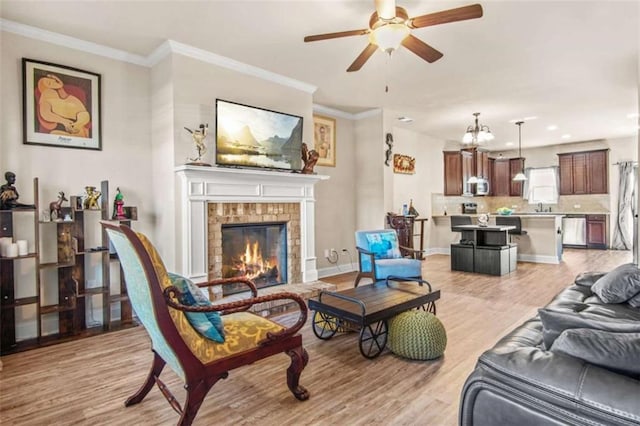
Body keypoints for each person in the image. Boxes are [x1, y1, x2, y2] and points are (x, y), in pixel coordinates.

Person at [37, 73, 91, 138]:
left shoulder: (60, 94)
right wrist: (64, 121)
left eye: (52, 80)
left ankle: (77, 127)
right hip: (70, 123)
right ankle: (76, 129)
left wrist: (59, 83)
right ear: (45, 88)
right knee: (54, 134)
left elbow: (60, 88)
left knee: (84, 116)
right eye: (49, 83)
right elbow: (46, 114)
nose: (54, 82)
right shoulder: (46, 97)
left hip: (81, 119)